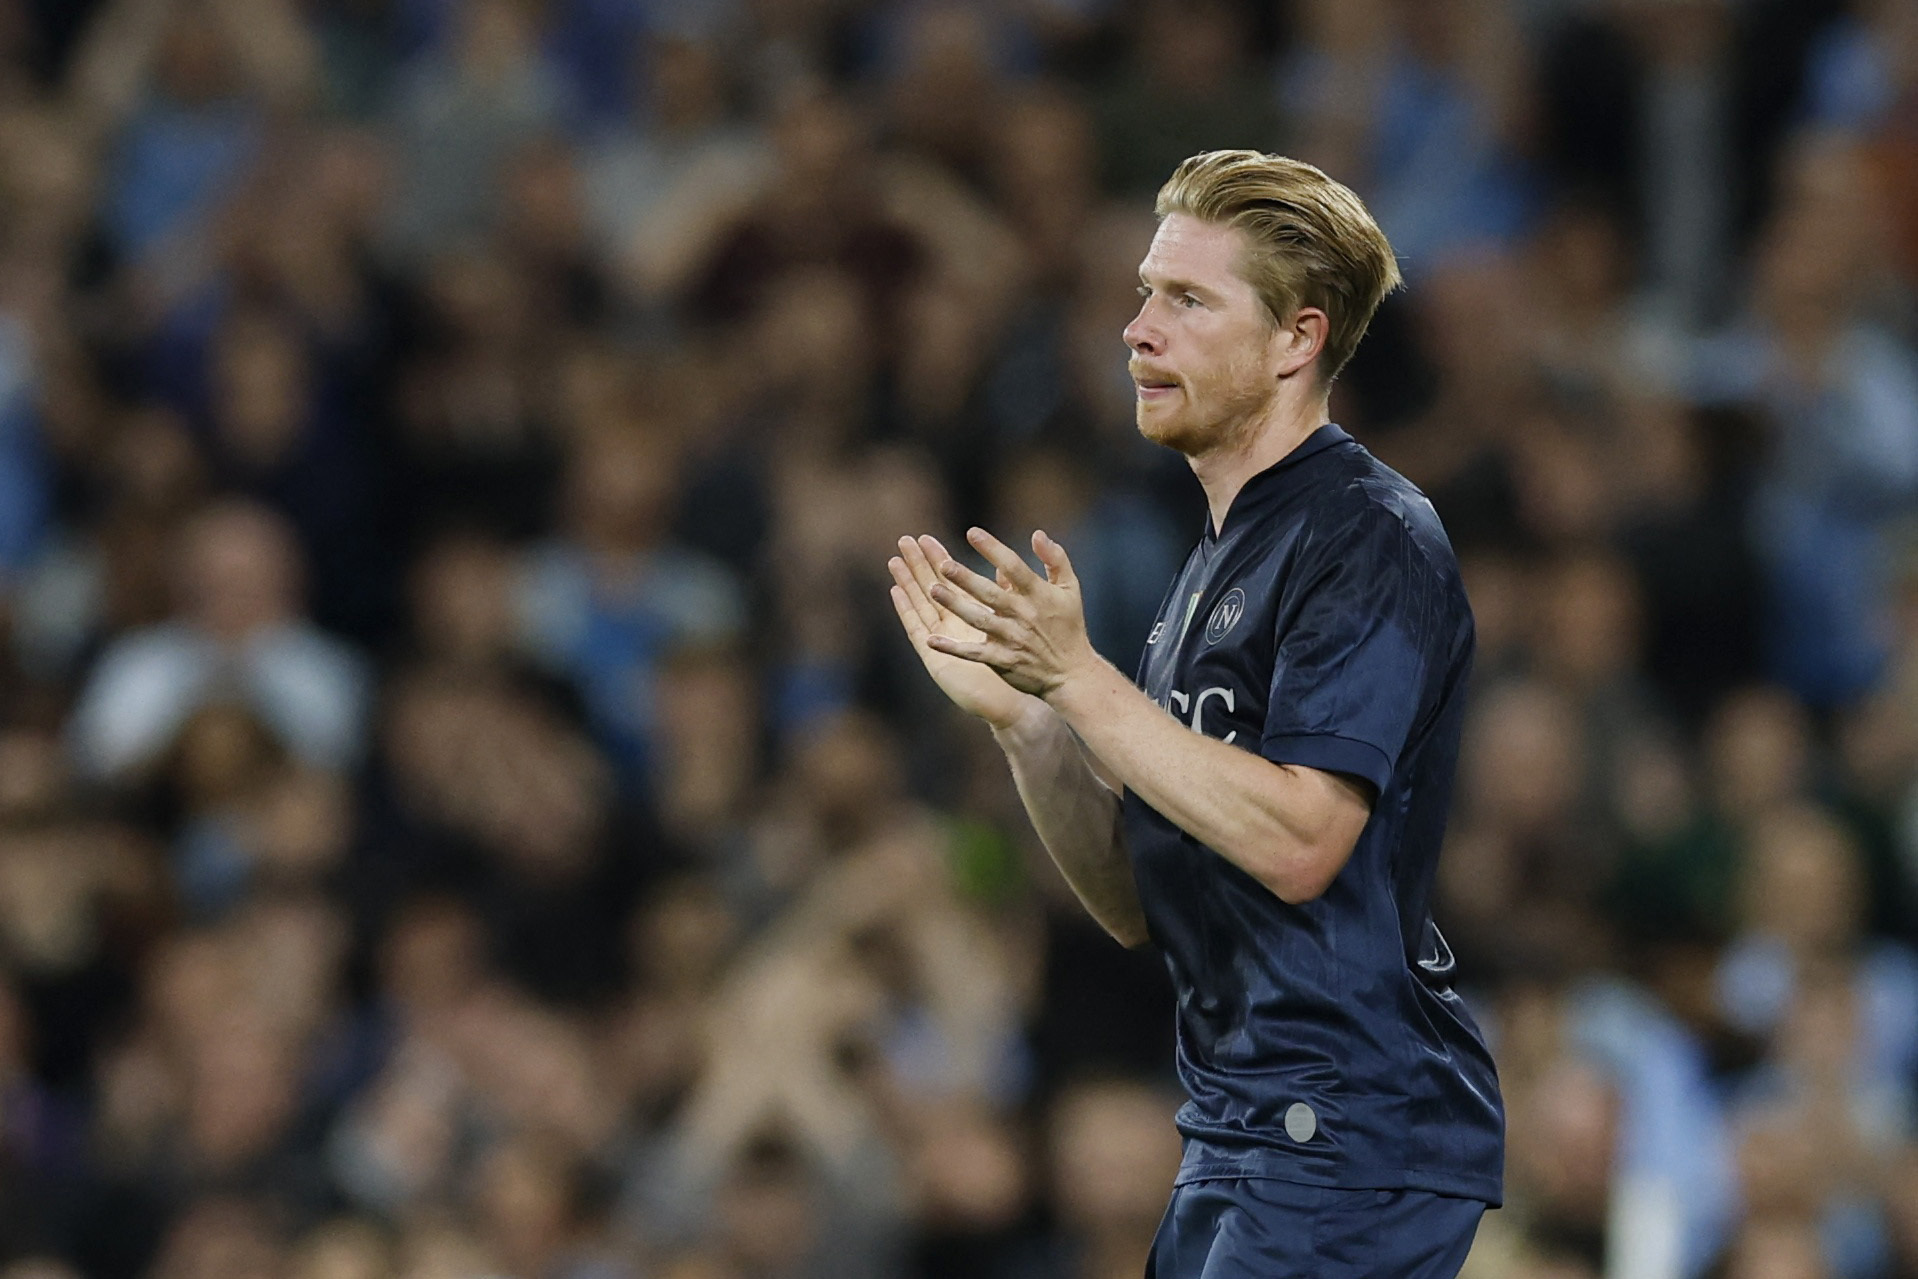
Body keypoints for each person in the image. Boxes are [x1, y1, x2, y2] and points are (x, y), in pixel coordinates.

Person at [887, 150, 1503, 1277]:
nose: (1135, 328)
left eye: (1185, 298)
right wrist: (1027, 726)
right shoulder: (1211, 567)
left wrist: (1082, 681)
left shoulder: (1363, 534)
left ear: (1294, 341)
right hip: (1239, 1128)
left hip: (1342, 1129)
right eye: (1141, 292)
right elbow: (1137, 902)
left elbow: (1304, 838)